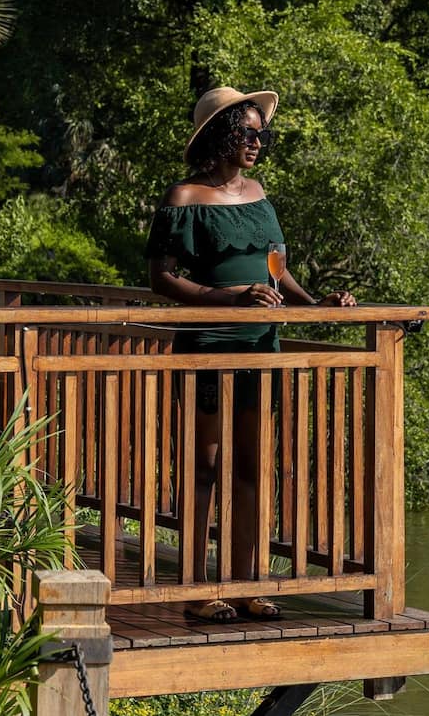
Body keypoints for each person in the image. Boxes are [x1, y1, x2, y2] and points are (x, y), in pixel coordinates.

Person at [147, 86, 355, 622]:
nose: (258, 142)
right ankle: (196, 590)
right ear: (220, 135)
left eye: (263, 135)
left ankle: (245, 584)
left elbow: (276, 270)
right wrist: (229, 298)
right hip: (209, 344)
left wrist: (316, 305)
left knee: (251, 468)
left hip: (262, 343)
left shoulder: (259, 194)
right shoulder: (185, 196)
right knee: (205, 469)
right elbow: (162, 279)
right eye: (247, 133)